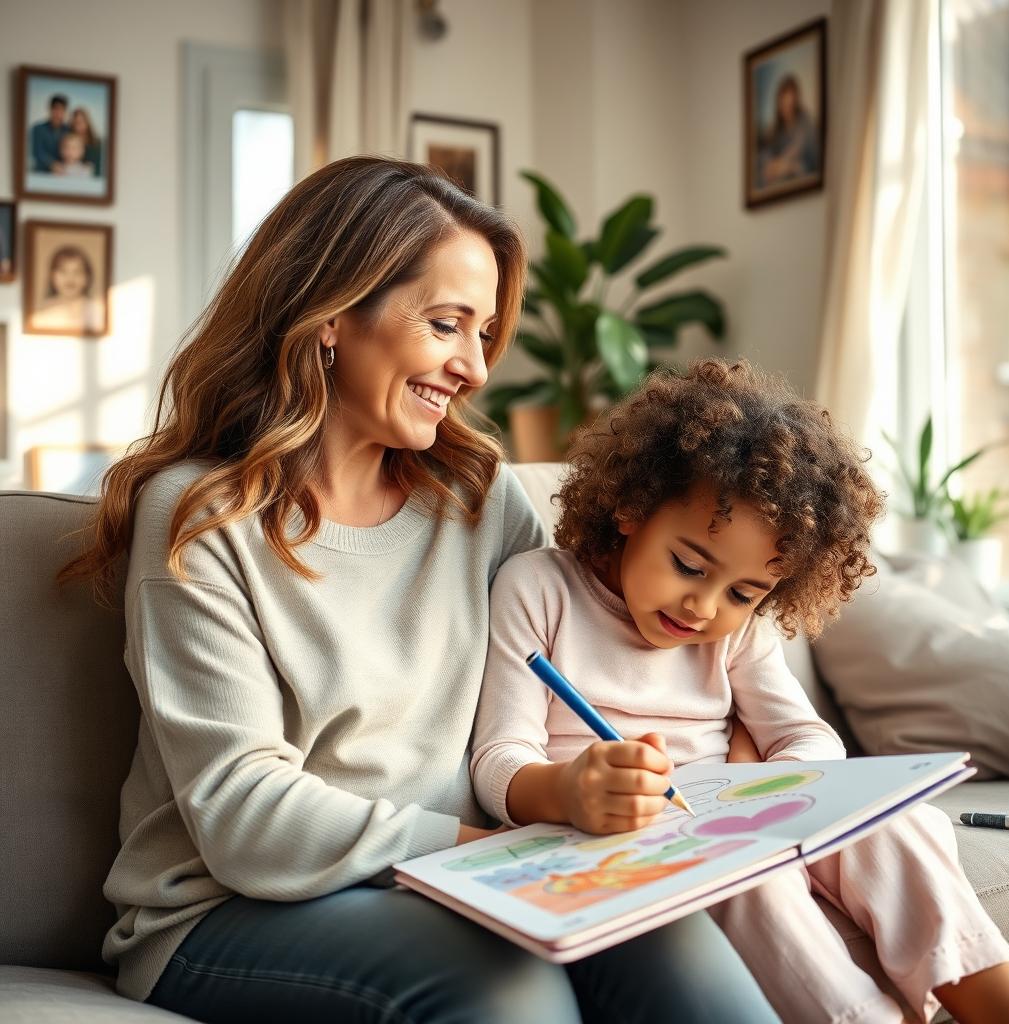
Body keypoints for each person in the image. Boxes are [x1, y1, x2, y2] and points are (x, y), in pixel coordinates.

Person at [58, 158, 780, 1023]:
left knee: (683, 952)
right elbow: (243, 813)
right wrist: (483, 852)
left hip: (472, 877)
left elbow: (591, 663)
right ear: (331, 316)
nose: (475, 368)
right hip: (228, 909)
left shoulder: (480, 497)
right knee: (508, 993)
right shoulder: (202, 517)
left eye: (485, 335)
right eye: (447, 325)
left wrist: (723, 751)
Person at [472, 359, 1009, 1024]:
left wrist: (778, 786)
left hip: (725, 810)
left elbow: (806, 735)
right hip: (612, 832)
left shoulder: (734, 632)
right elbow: (497, 759)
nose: (703, 607)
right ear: (630, 508)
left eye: (742, 592)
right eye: (688, 566)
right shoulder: (540, 589)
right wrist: (567, 790)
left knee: (896, 823)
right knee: (747, 883)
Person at [758, 73, 819, 187]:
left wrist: (790, 167)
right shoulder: (775, 131)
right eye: (783, 104)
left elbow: (813, 161)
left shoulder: (806, 124)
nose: (786, 109)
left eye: (789, 104)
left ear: (795, 101)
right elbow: (765, 156)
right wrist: (772, 165)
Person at [31, 245, 104, 334]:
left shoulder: (98, 311)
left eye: (77, 272)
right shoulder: (41, 314)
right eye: (63, 271)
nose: (70, 278)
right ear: (52, 276)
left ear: (87, 277)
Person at [30, 93, 69, 173]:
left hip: (64, 173)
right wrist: (52, 164)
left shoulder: (68, 130)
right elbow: (37, 152)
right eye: (55, 109)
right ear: (50, 109)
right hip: (41, 172)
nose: (58, 113)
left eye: (62, 109)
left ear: (65, 111)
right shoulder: (38, 129)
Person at [69, 106, 102, 174]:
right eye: (75, 123)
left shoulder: (97, 144)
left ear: (87, 123)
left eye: (81, 122)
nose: (78, 127)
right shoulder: (68, 142)